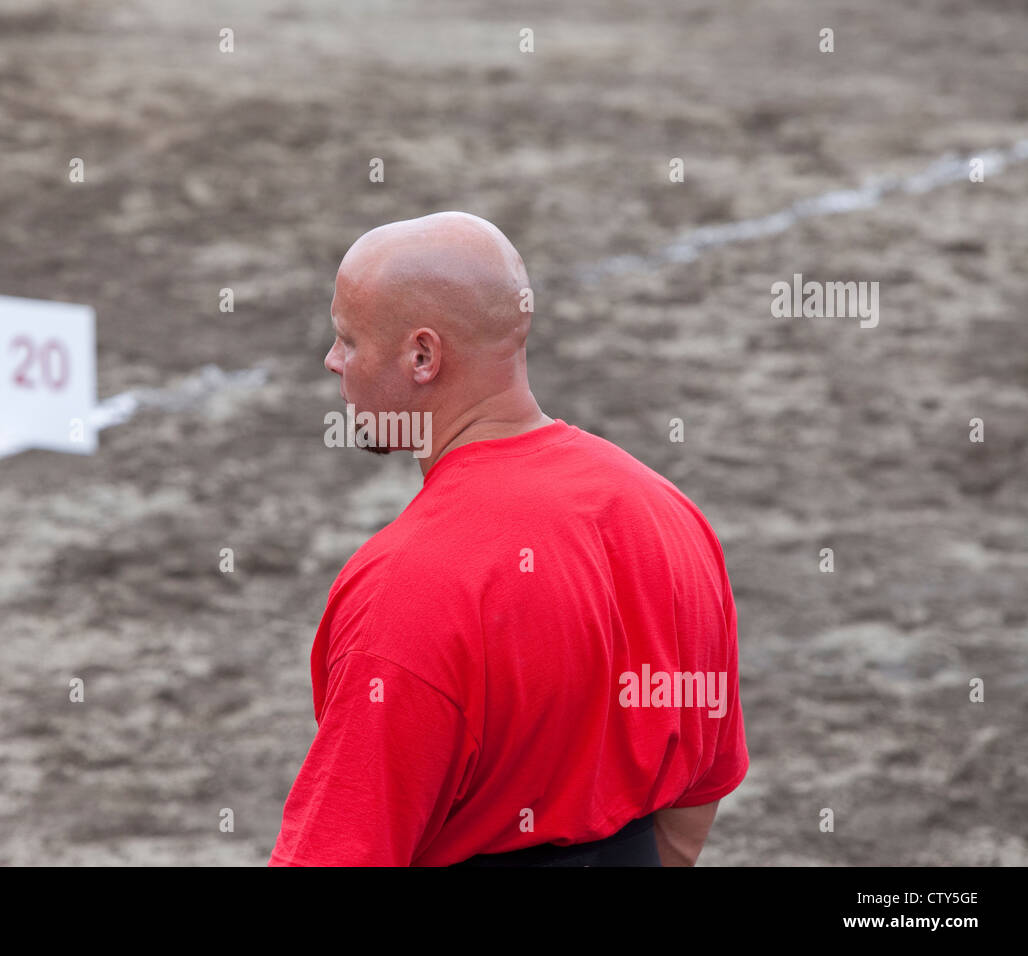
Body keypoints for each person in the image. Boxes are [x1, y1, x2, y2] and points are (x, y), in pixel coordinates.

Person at [269, 211, 747, 867]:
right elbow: (698, 795)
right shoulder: (668, 515)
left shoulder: (403, 591)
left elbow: (342, 852)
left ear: (421, 356)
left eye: (348, 340)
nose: (332, 362)